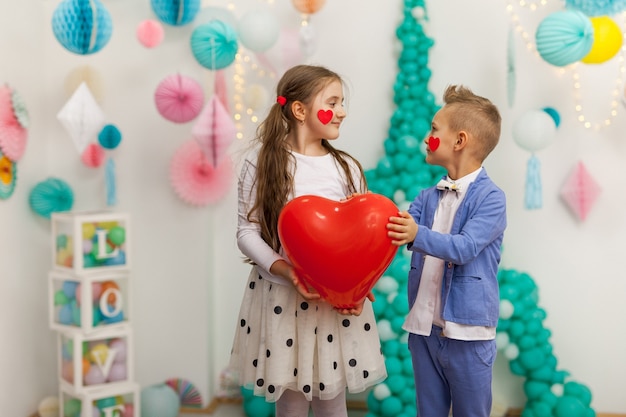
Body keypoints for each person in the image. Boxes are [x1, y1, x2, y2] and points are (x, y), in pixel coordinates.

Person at [229, 64, 387, 417]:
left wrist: (359, 287)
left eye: (343, 102)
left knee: (333, 402)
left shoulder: (346, 167)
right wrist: (287, 271)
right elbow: (246, 232)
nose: (343, 111)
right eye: (333, 101)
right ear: (299, 110)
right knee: (291, 405)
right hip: (281, 299)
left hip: (333, 306)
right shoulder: (261, 162)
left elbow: (362, 238)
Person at [386, 84, 507, 417]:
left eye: (434, 129)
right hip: (424, 329)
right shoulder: (427, 196)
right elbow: (399, 228)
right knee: (430, 411)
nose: (427, 136)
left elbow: (465, 247)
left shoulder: (491, 198)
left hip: (467, 333)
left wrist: (417, 233)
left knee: (471, 412)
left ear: (459, 140)